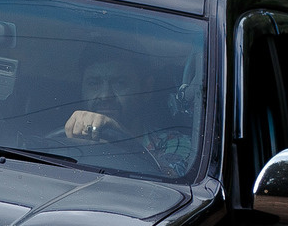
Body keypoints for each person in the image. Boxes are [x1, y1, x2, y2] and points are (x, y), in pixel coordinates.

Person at [62, 44, 193, 174]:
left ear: (146, 88)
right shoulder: (59, 141)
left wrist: (122, 139)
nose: (105, 96)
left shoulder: (173, 143)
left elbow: (166, 182)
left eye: (120, 82)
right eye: (94, 83)